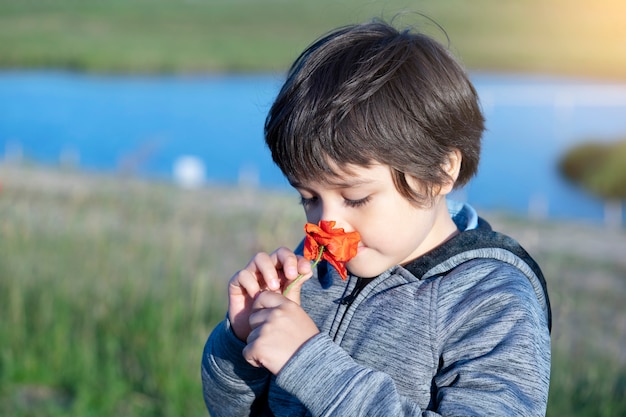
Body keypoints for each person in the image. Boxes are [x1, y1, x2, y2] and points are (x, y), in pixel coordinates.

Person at [201, 18, 551, 417]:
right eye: (309, 198)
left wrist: (309, 363)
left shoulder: (490, 301)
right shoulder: (317, 272)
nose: (326, 226)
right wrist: (241, 341)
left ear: (440, 171)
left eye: (356, 197)